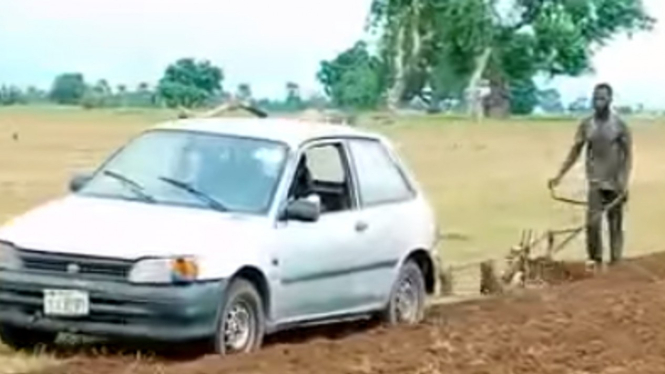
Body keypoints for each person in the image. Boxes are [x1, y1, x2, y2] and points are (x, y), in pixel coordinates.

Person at [548, 83, 632, 269]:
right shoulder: (587, 125)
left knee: (615, 224)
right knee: (592, 223)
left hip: (615, 182)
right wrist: (559, 175)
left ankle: (616, 262)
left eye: (602, 98)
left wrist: (624, 182)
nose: (598, 102)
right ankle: (595, 260)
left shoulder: (620, 125)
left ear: (610, 100)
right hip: (595, 181)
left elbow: (627, 155)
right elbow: (575, 151)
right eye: (595, 98)